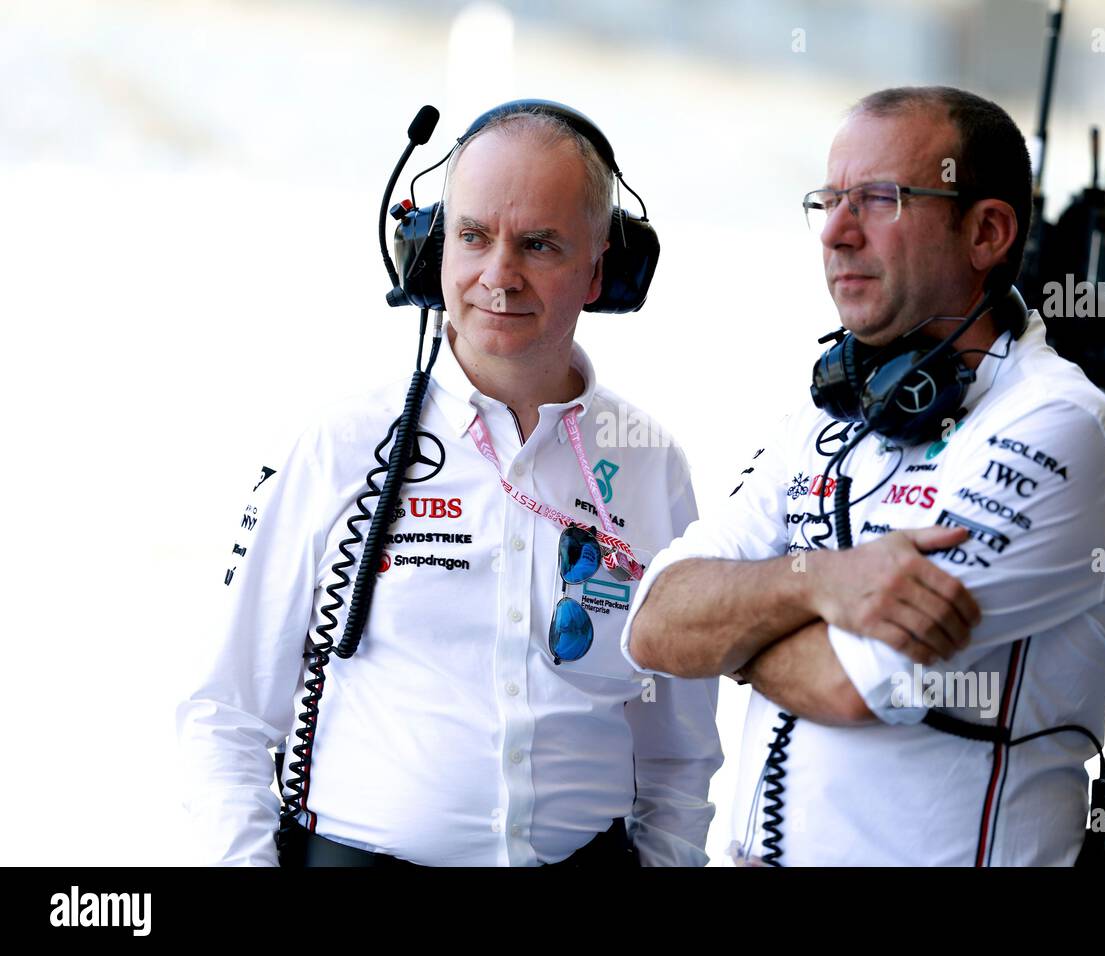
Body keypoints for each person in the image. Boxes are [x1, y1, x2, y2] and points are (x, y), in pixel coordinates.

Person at [176, 103, 722, 867]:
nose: (500, 274)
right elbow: (225, 714)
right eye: (472, 237)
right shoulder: (339, 442)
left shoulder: (651, 463)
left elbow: (678, 751)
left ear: (600, 270)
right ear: (432, 250)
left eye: (539, 243)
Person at [623, 86, 1105, 866]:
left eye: (879, 199)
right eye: (828, 201)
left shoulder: (1062, 427)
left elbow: (850, 683)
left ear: (987, 231)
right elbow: (655, 622)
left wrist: (731, 633)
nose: (835, 232)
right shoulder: (831, 406)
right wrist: (819, 583)